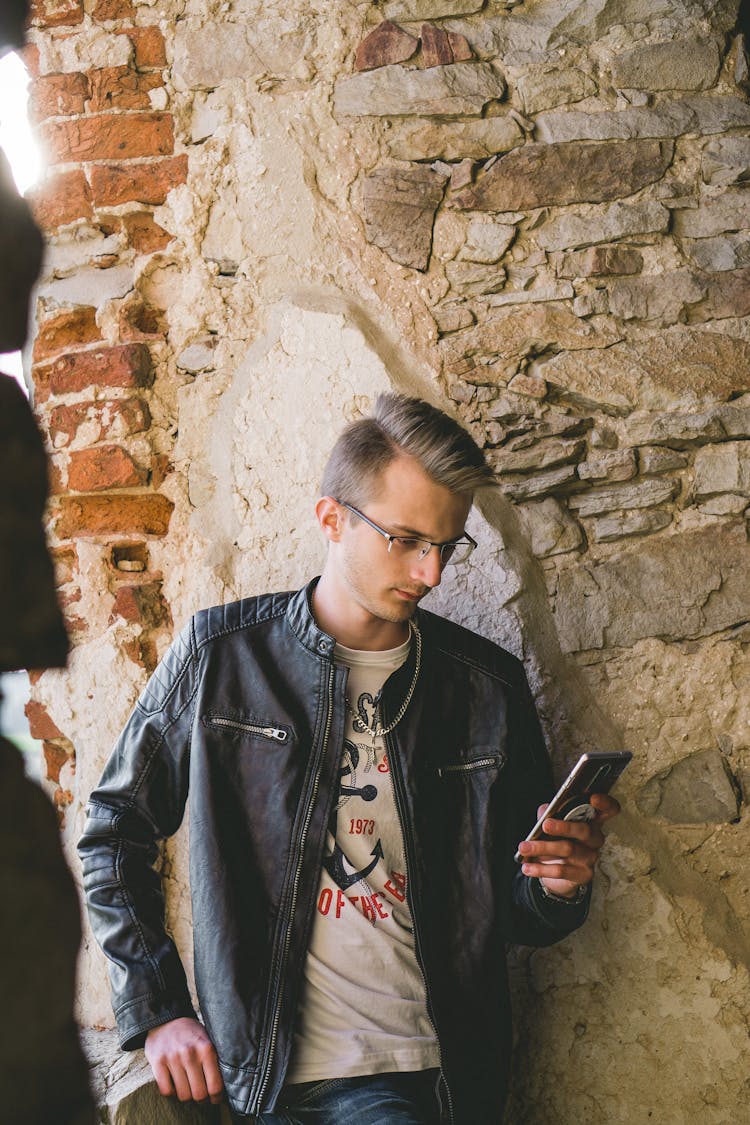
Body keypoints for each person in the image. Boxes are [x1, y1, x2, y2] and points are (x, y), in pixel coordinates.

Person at [79, 394, 619, 1124]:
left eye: (447, 545)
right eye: (405, 539)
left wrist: (559, 884)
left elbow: (517, 917)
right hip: (249, 1077)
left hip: (409, 1077)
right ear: (330, 518)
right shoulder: (219, 661)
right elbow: (113, 832)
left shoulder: (485, 688)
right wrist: (158, 1006)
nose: (430, 572)